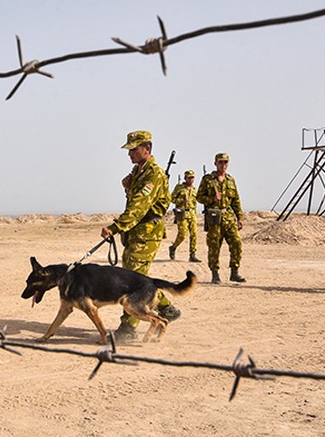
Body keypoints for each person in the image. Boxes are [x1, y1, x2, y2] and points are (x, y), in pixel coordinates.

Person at [100, 130, 181, 342]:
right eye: (129, 150)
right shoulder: (138, 172)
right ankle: (167, 308)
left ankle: (127, 328)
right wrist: (127, 187)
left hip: (146, 234)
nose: (130, 154)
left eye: (134, 149)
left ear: (147, 149)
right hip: (136, 233)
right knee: (136, 279)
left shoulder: (153, 174)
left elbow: (139, 207)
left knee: (132, 284)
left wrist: (115, 227)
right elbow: (134, 200)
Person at [196, 152, 245, 284]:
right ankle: (215, 273)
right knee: (214, 247)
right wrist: (212, 198)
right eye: (220, 162)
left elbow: (236, 200)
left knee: (236, 243)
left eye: (225, 162)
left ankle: (234, 272)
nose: (223, 165)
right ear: (215, 163)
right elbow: (199, 197)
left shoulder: (230, 180)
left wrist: (239, 217)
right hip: (214, 218)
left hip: (228, 217)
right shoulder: (208, 179)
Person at [168, 169, 202, 263]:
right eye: (189, 178)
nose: (190, 180)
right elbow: (172, 199)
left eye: (192, 178)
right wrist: (181, 200)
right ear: (185, 178)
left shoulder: (195, 190)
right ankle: (173, 247)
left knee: (194, 234)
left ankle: (192, 254)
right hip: (182, 213)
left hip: (192, 214)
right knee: (182, 234)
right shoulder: (179, 188)